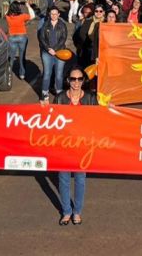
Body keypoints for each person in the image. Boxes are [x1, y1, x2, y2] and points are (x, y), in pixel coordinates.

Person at [55, 66, 96, 226]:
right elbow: (50, 120)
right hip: (63, 146)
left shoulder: (91, 98)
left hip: (82, 146)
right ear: (68, 80)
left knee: (80, 179)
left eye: (79, 79)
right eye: (73, 79)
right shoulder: (59, 98)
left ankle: (77, 212)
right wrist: (44, 108)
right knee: (63, 179)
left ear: (83, 80)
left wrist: (110, 110)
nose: (76, 82)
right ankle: (66, 211)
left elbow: (101, 119)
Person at [37, 6, 68, 101]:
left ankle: (59, 93)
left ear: (58, 14)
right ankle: (44, 93)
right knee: (47, 73)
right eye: (52, 14)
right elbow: (41, 38)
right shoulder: (45, 25)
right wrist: (48, 48)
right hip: (47, 53)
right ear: (49, 15)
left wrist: (55, 49)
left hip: (60, 52)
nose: (53, 16)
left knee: (59, 74)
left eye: (55, 14)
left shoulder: (62, 25)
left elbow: (63, 38)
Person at [6, 0, 35, 80]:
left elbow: (7, 12)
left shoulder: (7, 17)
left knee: (11, 57)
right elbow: (33, 16)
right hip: (22, 37)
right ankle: (22, 74)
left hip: (12, 37)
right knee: (22, 56)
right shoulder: (22, 16)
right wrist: (28, 6)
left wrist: (13, 3)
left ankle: (8, 74)